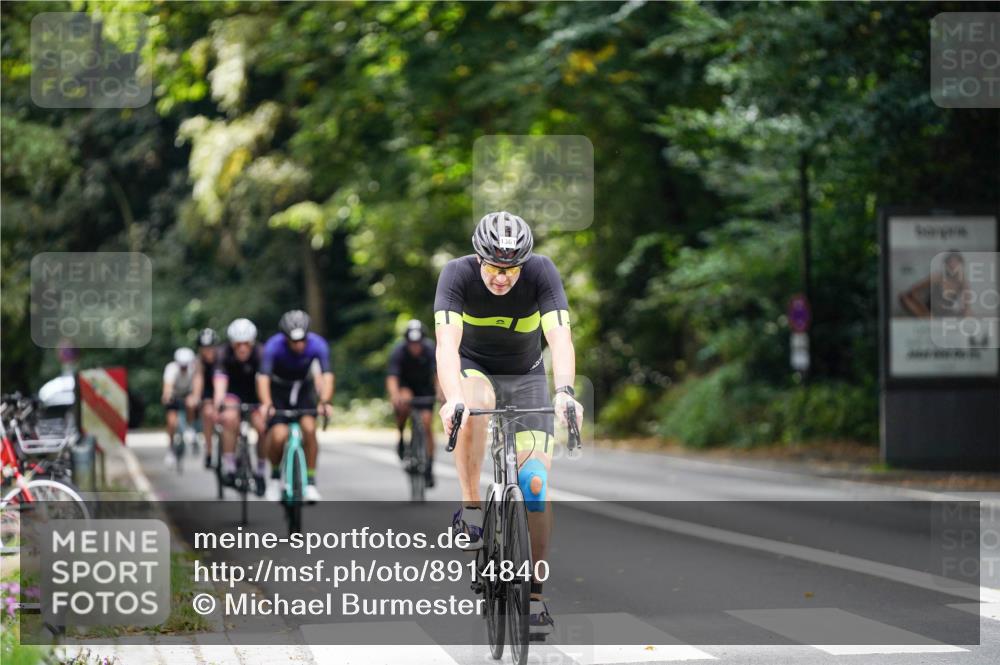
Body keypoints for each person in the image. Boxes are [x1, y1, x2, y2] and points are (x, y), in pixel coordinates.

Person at [434, 211, 584, 636]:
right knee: (472, 405)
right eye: (495, 268)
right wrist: (453, 399)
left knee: (535, 485)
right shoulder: (456, 275)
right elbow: (447, 346)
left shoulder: (542, 272)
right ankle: (471, 507)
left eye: (511, 269)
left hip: (527, 375)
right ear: (479, 258)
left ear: (524, 263)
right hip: (473, 368)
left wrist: (565, 392)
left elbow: (560, 339)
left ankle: (535, 594)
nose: (502, 278)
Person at [258, 310, 334, 503]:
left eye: (302, 341)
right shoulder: (273, 346)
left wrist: (325, 401)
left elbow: (327, 376)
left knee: (309, 429)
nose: (299, 345)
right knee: (278, 436)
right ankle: (275, 479)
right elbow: (263, 378)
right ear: (285, 338)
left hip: (303, 389)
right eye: (294, 341)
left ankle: (310, 483)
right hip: (278, 390)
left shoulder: (318, 344)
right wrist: (267, 403)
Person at [213, 318, 267, 495]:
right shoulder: (223, 353)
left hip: (255, 394)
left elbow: (264, 382)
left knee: (263, 426)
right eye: (238, 345)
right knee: (229, 418)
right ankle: (229, 466)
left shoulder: (261, 353)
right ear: (232, 344)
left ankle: (259, 471)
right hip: (233, 394)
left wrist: (265, 405)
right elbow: (220, 380)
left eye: (246, 344)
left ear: (252, 343)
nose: (242, 348)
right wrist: (219, 402)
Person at [387, 319, 439, 487]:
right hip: (406, 386)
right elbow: (392, 377)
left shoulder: (431, 350)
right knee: (403, 403)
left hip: (425, 389)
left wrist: (441, 393)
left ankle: (429, 466)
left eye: (418, 343)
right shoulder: (399, 351)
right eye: (411, 344)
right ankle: (401, 435)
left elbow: (439, 374)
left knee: (426, 422)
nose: (415, 347)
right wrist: (395, 395)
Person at [162, 347, 198, 466]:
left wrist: (195, 396)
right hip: (175, 395)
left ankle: (190, 427)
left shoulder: (194, 368)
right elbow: (168, 386)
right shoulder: (171, 368)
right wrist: (167, 396)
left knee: (191, 403)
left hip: (188, 394)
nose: (183, 368)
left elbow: (197, 386)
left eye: (185, 365)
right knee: (172, 422)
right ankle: (171, 448)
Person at [190, 328, 220, 469]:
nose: (208, 351)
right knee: (207, 414)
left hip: (224, 390)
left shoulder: (222, 357)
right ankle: (208, 452)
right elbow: (198, 379)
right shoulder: (199, 362)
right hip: (208, 392)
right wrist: (196, 396)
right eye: (204, 348)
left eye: (210, 347)